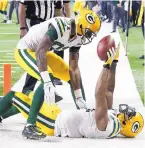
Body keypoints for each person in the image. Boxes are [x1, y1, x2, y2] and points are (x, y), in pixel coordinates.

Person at [0, 44, 144, 139]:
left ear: (127, 123)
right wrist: (114, 63)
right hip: (58, 115)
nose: (127, 110)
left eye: (129, 114)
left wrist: (106, 66)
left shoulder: (106, 125)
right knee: (30, 98)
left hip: (52, 123)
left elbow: (99, 94)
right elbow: (109, 91)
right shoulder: (113, 120)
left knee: (15, 96)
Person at [11, 9, 101, 139]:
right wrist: (47, 80)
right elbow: (40, 51)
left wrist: (79, 97)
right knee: (48, 79)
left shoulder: (78, 36)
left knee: (72, 76)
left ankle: (83, 114)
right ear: (80, 25)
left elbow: (73, 68)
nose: (89, 37)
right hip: (26, 50)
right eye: (89, 32)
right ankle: (29, 126)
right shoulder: (60, 27)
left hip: (42, 52)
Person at [19, 0, 71, 85]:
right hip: (34, 22)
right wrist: (22, 28)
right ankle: (29, 89)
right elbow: (22, 7)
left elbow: (58, 9)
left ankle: (50, 81)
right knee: (38, 53)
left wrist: (60, 26)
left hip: (49, 22)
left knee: (49, 51)